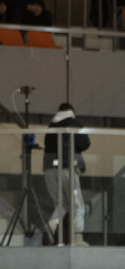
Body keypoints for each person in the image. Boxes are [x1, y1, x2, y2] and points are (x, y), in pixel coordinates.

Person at [43, 103, 89, 246]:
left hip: (48, 168)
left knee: (61, 203)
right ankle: (78, 238)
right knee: (77, 205)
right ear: (72, 112)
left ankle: (52, 222)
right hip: (67, 167)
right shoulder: (72, 123)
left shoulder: (51, 125)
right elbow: (85, 143)